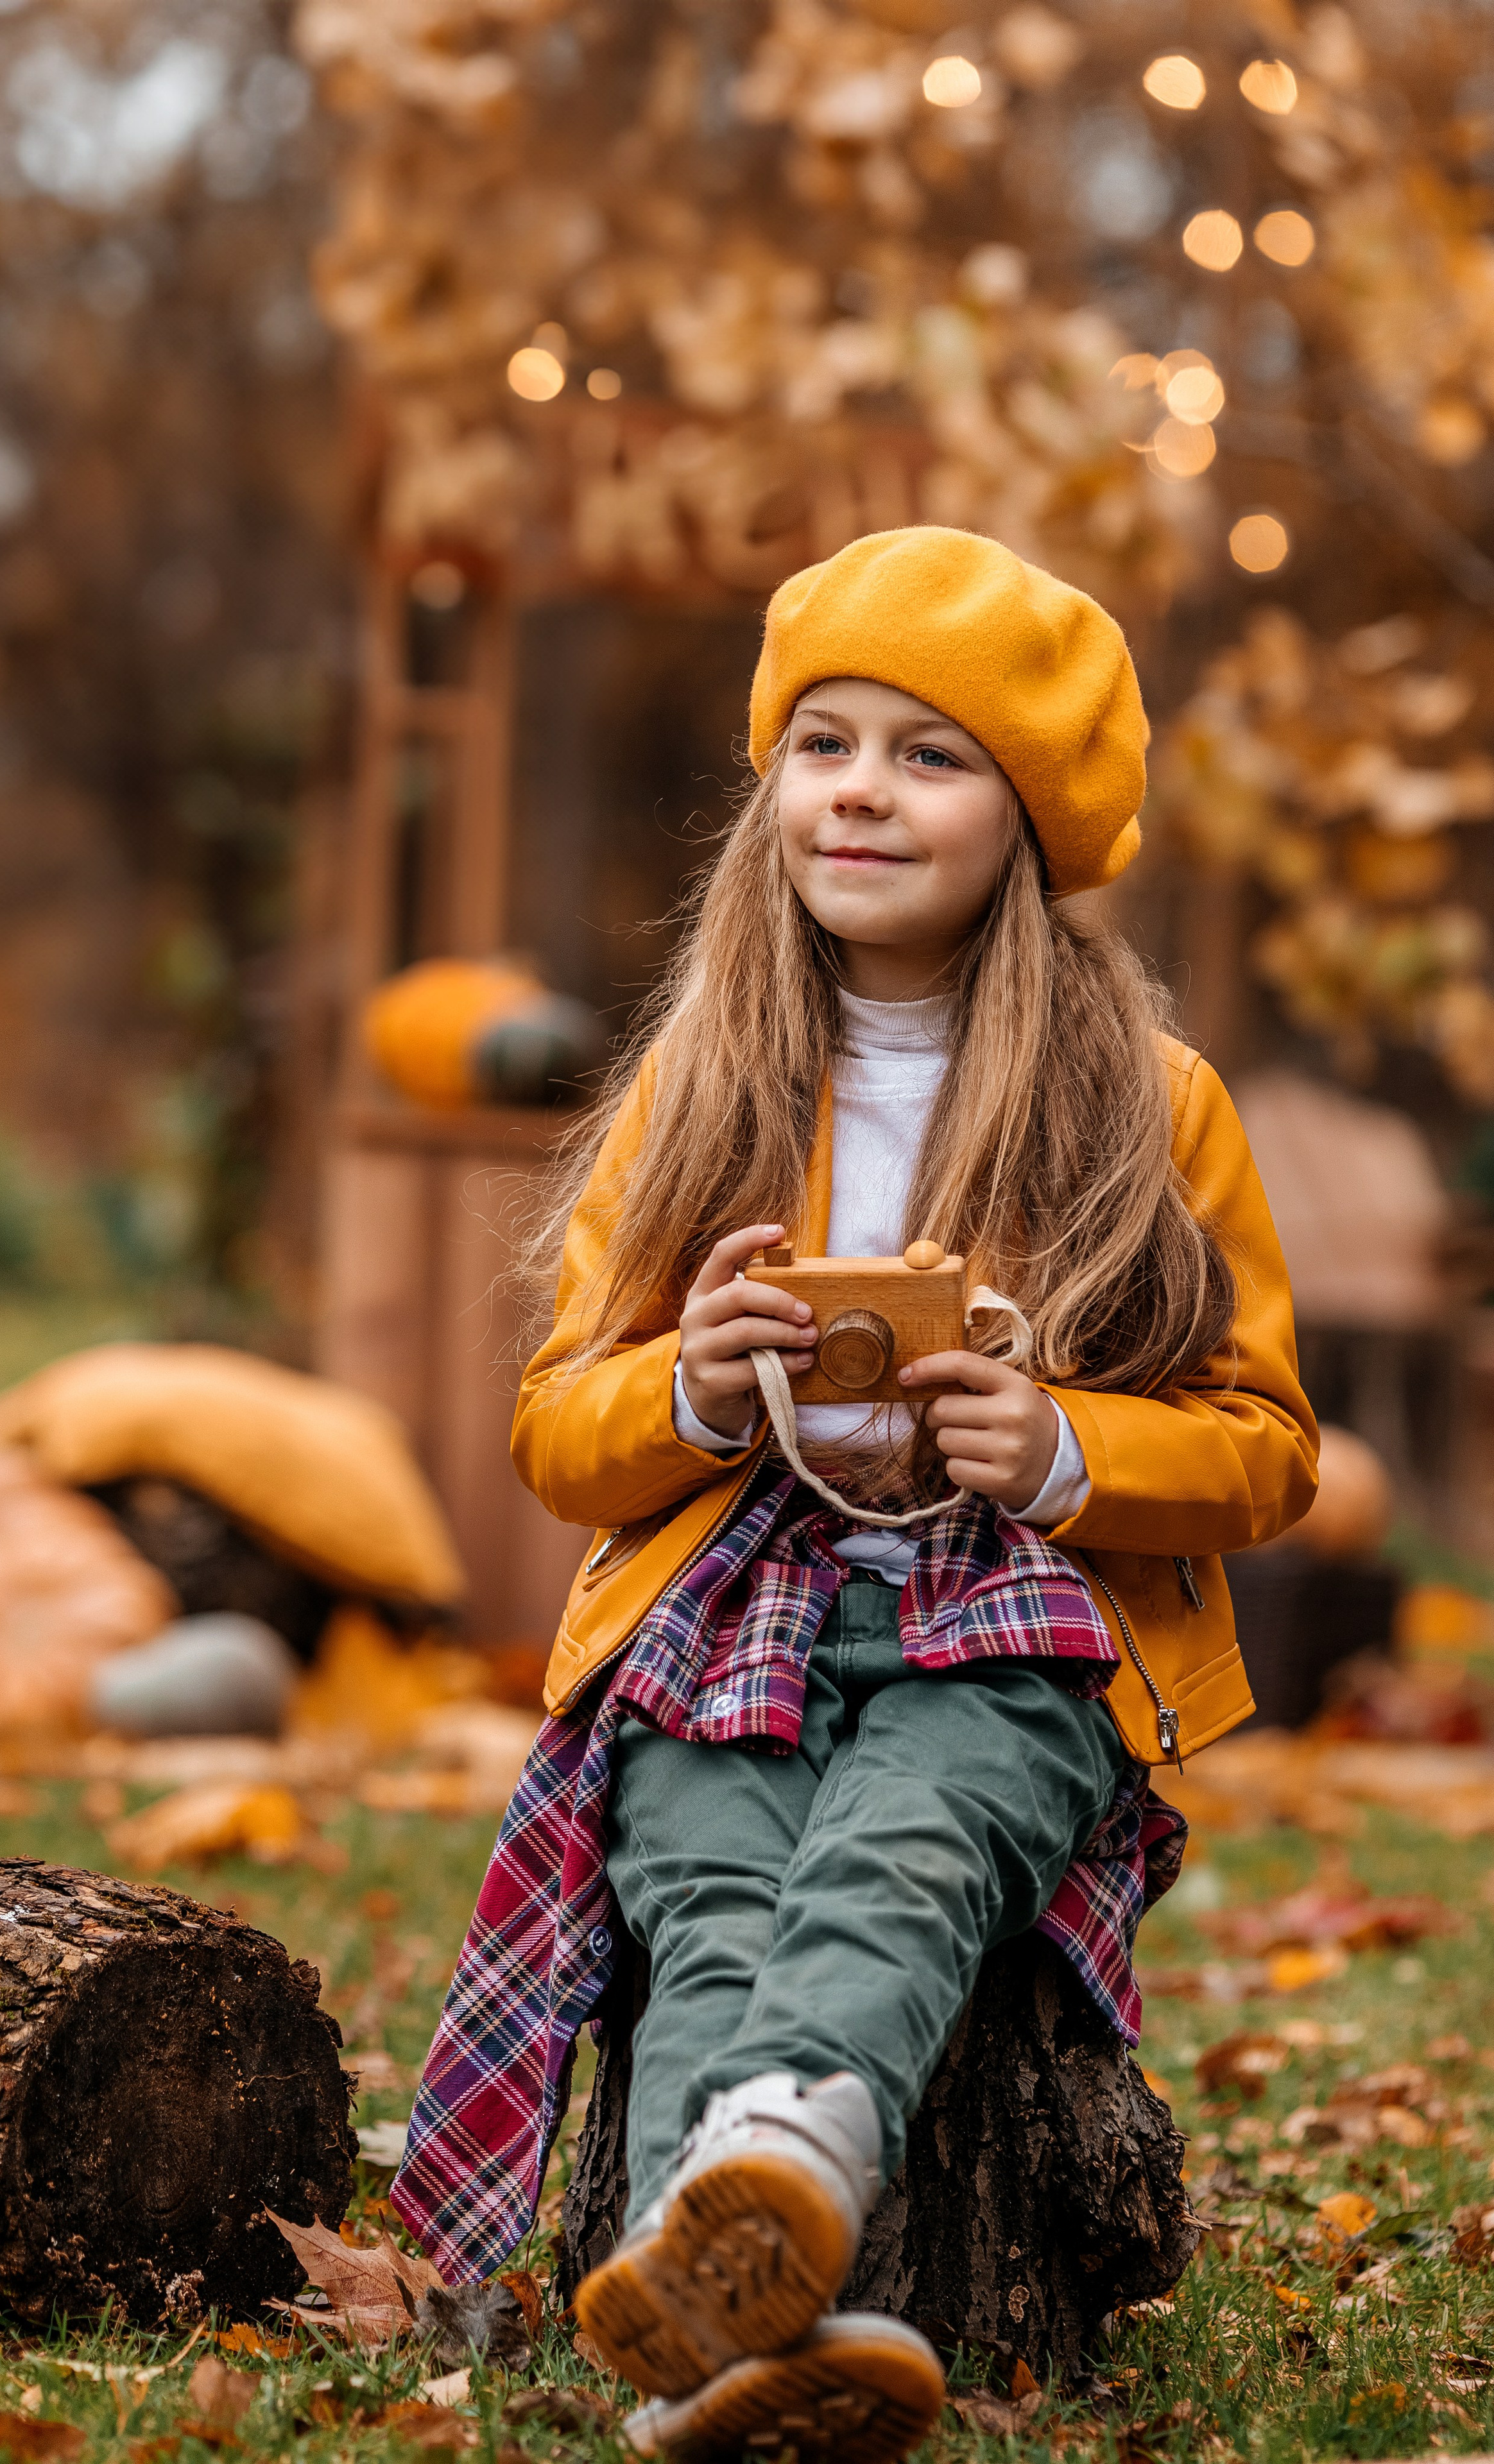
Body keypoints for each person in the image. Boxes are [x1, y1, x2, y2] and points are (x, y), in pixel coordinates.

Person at [391, 527, 1318, 2461]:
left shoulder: (1147, 1102)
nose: (864, 793)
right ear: (772, 789)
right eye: (826, 745)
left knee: (912, 1838)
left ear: (1033, 818)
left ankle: (771, 2176)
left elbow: (1266, 1445)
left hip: (1004, 1605)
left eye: (931, 753)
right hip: (731, 1594)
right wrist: (698, 1392)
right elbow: (559, 1428)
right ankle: (728, 2330)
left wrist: (1064, 1446)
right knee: (708, 1885)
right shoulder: (702, 1082)